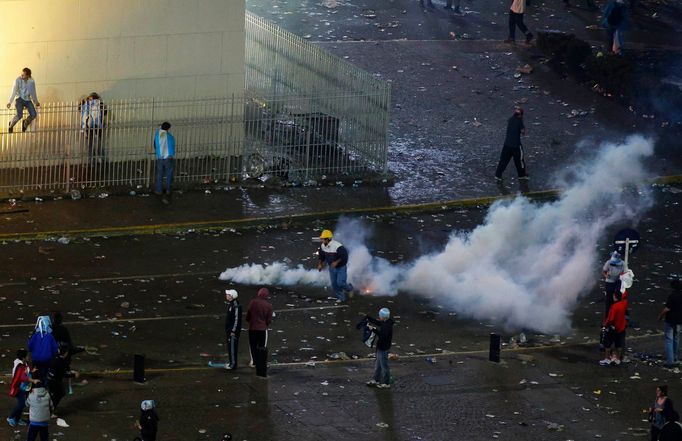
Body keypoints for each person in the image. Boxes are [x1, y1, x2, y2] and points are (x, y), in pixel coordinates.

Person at [317, 229, 354, 302]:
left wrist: (336, 262)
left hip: (341, 267)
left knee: (340, 283)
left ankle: (350, 288)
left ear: (328, 239)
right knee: (334, 285)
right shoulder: (322, 246)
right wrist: (320, 264)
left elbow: (344, 256)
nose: (321, 240)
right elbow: (321, 256)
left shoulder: (338, 246)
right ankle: (342, 298)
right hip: (332, 268)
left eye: (323, 239)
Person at [245, 288, 273, 377]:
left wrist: (249, 320)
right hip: (262, 329)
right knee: (262, 347)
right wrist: (265, 324)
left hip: (252, 328)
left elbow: (248, 314)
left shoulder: (253, 302)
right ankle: (261, 362)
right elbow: (269, 319)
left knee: (252, 345)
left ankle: (253, 361)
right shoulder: (269, 306)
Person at [494, 108, 528, 181]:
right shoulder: (519, 121)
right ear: (520, 115)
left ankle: (498, 175)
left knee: (503, 161)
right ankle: (522, 175)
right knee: (519, 161)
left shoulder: (510, 119)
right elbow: (523, 132)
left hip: (507, 144)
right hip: (516, 146)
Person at [7, 349, 38, 427]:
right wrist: (33, 380)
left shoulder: (24, 363)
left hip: (23, 387)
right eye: (27, 355)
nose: (28, 357)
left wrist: (31, 371)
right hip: (18, 388)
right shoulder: (20, 366)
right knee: (22, 404)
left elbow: (26, 372)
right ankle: (10, 417)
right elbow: (23, 377)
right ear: (23, 358)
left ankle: (17, 419)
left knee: (22, 403)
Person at [365, 308, 394, 389]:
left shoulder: (387, 326)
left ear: (383, 317)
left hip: (383, 348)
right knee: (378, 365)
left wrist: (373, 329)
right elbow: (378, 322)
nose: (379, 317)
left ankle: (386, 383)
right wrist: (369, 317)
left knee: (384, 366)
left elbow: (382, 336)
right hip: (381, 348)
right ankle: (375, 380)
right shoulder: (386, 322)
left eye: (380, 315)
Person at [48, 345, 79, 418]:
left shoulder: (55, 357)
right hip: (55, 381)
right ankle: (50, 411)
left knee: (55, 395)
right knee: (59, 394)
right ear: (65, 353)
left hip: (49, 378)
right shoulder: (60, 362)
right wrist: (74, 375)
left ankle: (49, 408)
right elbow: (63, 374)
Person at [7, 67, 40, 133]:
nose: (21, 76)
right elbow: (13, 91)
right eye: (21, 74)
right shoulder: (17, 80)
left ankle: (25, 123)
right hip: (19, 99)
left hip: (27, 99)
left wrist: (36, 101)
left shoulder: (31, 82)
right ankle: (11, 125)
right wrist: (9, 102)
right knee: (19, 115)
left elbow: (33, 92)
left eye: (23, 75)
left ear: (28, 76)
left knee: (33, 114)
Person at [27, 316, 58, 384]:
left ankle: (37, 386)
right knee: (46, 374)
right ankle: (45, 386)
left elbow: (29, 347)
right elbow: (55, 349)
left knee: (36, 374)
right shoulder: (50, 336)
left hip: (36, 359)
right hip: (47, 360)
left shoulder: (35, 335)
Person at [658, 279, 682, 368]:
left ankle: (670, 361)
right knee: (676, 339)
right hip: (679, 321)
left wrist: (660, 316)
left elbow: (667, 309)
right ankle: (675, 358)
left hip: (670, 320)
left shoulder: (672, 296)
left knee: (669, 340)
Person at [600, 290, 627, 366]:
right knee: (619, 345)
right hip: (621, 328)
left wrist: (605, 325)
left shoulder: (614, 307)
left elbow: (611, 319)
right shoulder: (624, 303)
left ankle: (607, 359)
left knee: (607, 345)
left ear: (615, 297)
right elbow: (624, 296)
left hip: (613, 329)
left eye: (614, 295)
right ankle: (618, 359)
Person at [79, 92, 107, 162]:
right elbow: (105, 112)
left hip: (90, 128)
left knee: (91, 145)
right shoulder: (96, 104)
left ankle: (92, 160)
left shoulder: (91, 105)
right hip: (96, 128)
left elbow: (81, 111)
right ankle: (99, 159)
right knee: (97, 145)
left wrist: (82, 104)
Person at [153, 122, 176, 204]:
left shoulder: (156, 135)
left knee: (159, 174)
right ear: (168, 128)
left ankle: (159, 190)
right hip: (168, 158)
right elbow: (173, 146)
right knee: (169, 174)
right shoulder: (170, 137)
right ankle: (168, 190)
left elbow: (155, 146)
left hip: (160, 157)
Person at [602, 251, 626, 316]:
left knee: (618, 298)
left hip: (618, 281)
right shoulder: (608, 263)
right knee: (608, 299)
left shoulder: (623, 264)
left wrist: (622, 276)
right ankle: (608, 316)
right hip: (609, 282)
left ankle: (616, 315)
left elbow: (625, 272)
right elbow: (604, 271)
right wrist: (606, 275)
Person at [224, 289, 242, 370]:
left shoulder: (235, 305)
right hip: (230, 330)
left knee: (232, 348)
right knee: (230, 347)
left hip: (232, 332)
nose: (226, 295)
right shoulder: (232, 304)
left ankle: (233, 365)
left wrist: (233, 331)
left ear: (231, 296)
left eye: (228, 294)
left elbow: (236, 319)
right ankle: (231, 362)